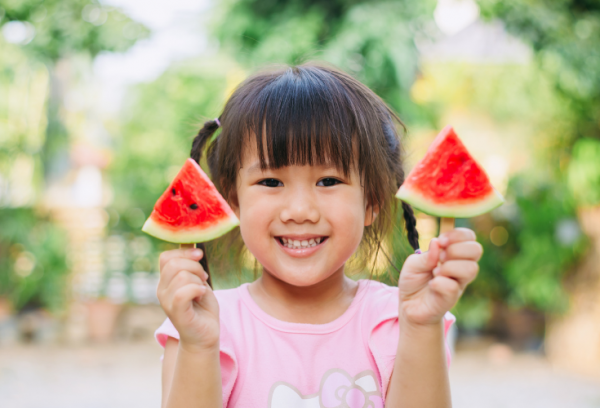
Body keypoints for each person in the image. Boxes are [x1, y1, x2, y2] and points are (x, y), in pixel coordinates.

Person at [154, 62, 482, 408]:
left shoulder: (398, 320)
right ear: (232, 201)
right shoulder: (203, 324)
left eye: (328, 181)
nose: (300, 210)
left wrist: (419, 326)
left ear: (371, 201)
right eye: (270, 182)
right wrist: (199, 345)